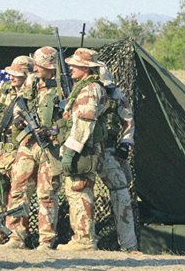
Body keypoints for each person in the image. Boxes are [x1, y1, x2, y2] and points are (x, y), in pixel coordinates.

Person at [4, 47, 65, 250]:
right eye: (35, 65)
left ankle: (46, 240)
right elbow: (20, 105)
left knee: (46, 193)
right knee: (18, 188)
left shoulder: (63, 87)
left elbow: (69, 119)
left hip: (51, 145)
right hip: (28, 142)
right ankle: (15, 236)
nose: (36, 69)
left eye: (40, 66)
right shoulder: (31, 82)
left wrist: (53, 130)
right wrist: (20, 119)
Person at [58, 47, 108, 251]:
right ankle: (81, 236)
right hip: (82, 146)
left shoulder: (89, 90)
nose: (71, 69)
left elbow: (84, 123)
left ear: (85, 68)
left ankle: (84, 239)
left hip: (83, 148)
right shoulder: (86, 87)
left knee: (79, 190)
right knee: (76, 190)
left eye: (75, 66)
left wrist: (71, 150)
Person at [0, 55, 33, 246]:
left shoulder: (32, 94)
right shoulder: (2, 90)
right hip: (0, 150)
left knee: (18, 194)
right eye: (11, 74)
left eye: (18, 74)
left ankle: (17, 235)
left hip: (20, 150)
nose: (12, 77)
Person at [97, 65, 139, 252]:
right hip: (87, 149)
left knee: (122, 190)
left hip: (109, 149)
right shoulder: (78, 92)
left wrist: (125, 143)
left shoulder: (115, 95)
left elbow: (128, 121)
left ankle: (129, 244)